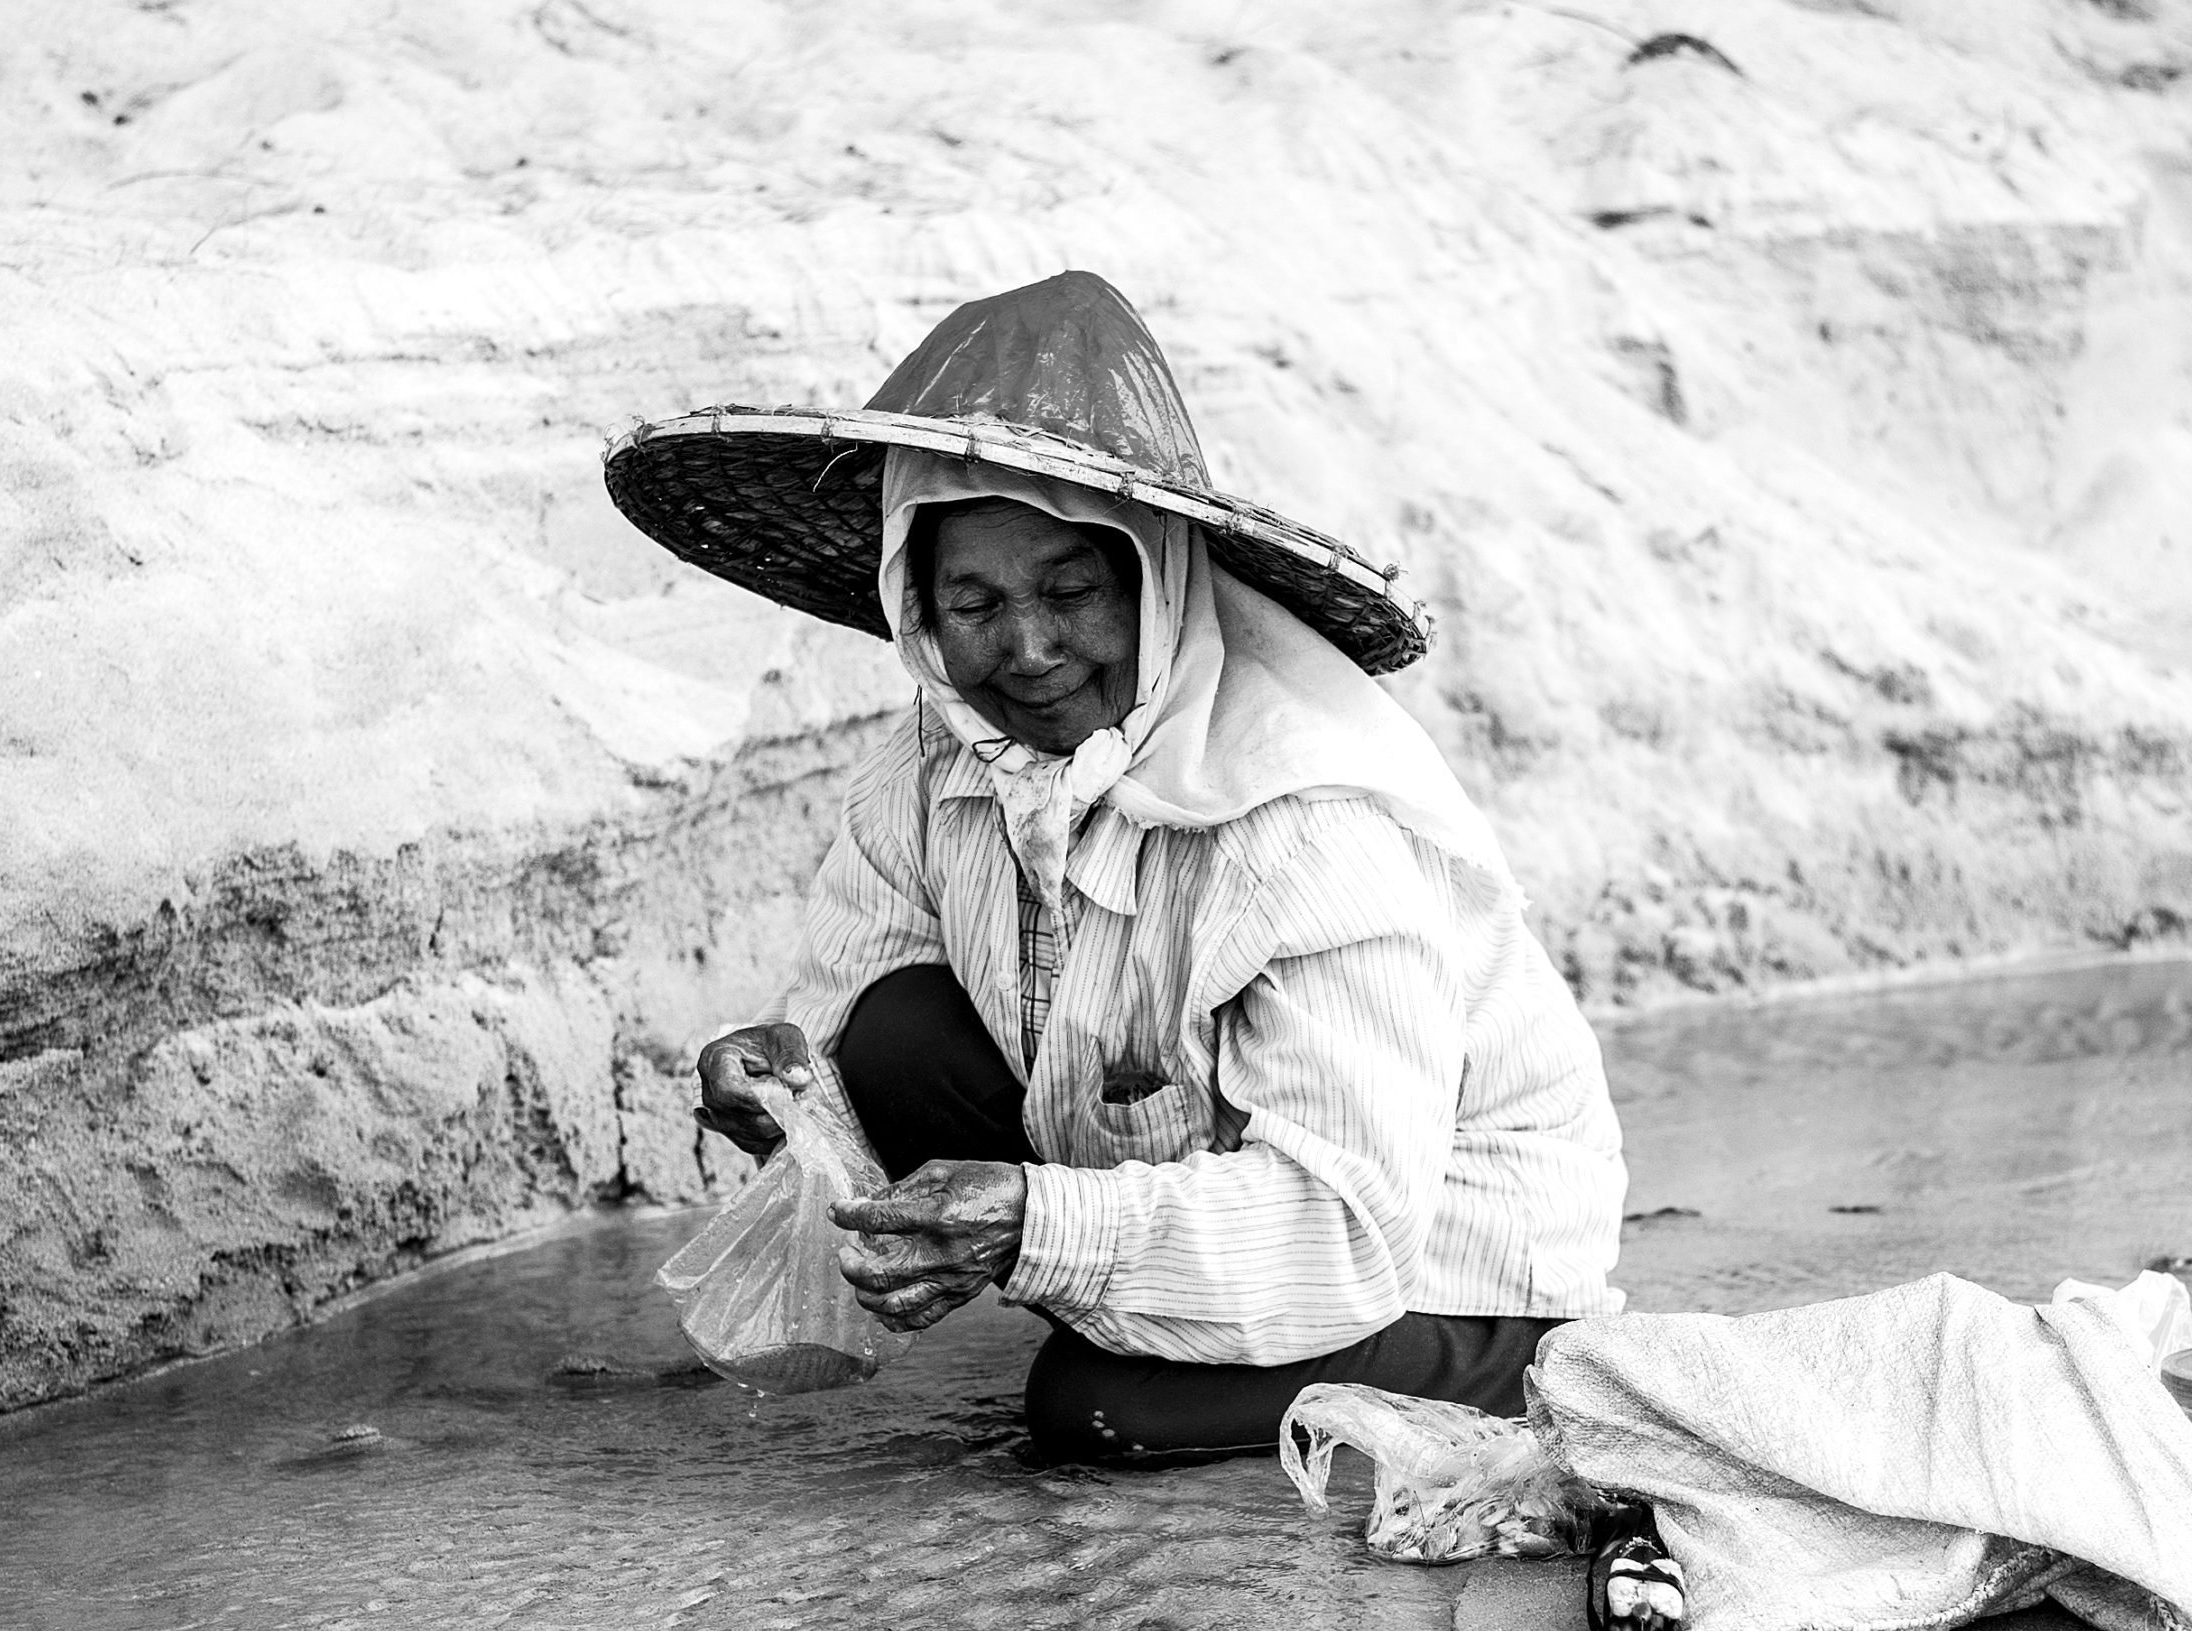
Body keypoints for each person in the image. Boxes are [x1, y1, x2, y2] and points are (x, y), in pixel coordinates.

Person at [606, 271, 1625, 1461]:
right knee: (889, 1039)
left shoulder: (1308, 820)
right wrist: (783, 1086)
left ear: (1154, 582)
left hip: (1434, 1262)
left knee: (1098, 1409)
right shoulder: (940, 759)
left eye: (1071, 591)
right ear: (916, 605)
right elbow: (841, 1011)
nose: (1028, 649)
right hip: (1219, 1173)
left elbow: (1347, 1226)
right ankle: (1154, 1307)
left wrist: (1035, 1225)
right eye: (972, 601)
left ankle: (1492, 1368)